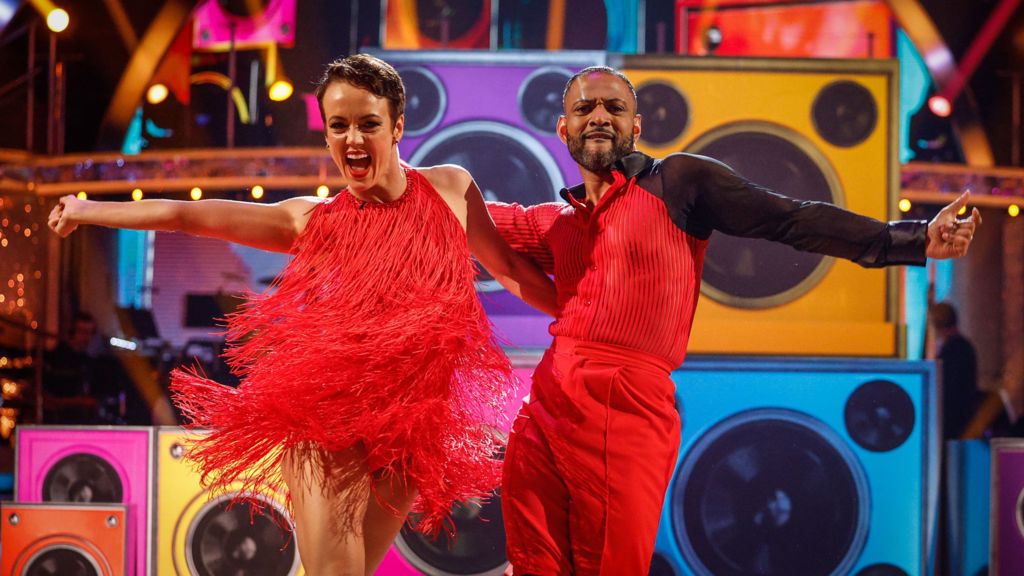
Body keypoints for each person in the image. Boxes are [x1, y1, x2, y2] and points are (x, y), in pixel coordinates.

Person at [48, 54, 556, 575]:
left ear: (398, 125)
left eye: (368, 124)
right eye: (338, 126)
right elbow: (187, 215)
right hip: (329, 418)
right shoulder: (311, 220)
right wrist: (88, 209)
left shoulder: (450, 188)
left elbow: (511, 266)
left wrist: (579, 317)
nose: (352, 140)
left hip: (411, 424)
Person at [487, 66, 982, 575]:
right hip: (545, 407)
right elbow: (454, 209)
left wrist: (912, 238)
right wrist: (398, 161)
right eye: (584, 108)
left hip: (627, 403)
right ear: (563, 129)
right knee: (531, 567)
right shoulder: (554, 222)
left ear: (636, 126)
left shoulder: (677, 182)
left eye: (614, 108)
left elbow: (788, 217)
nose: (598, 117)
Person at [930, 301, 982, 440]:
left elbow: (948, 389)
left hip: (953, 422)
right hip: (963, 419)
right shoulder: (964, 345)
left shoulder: (951, 349)